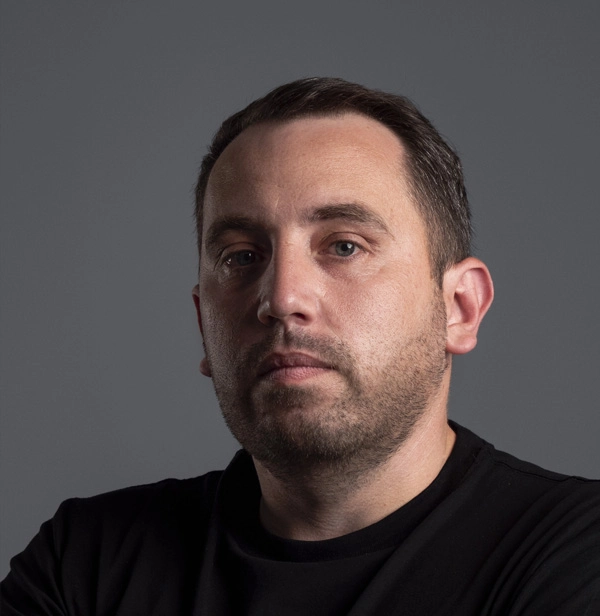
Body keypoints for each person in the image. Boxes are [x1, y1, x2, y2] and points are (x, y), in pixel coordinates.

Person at [2, 77, 599, 615]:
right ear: (204, 325)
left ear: (459, 308)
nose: (281, 297)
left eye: (344, 246)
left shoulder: (574, 555)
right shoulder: (86, 563)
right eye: (242, 256)